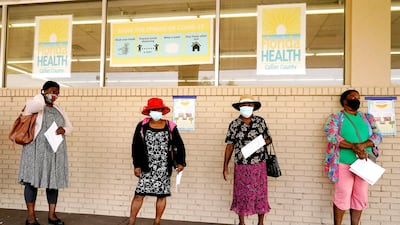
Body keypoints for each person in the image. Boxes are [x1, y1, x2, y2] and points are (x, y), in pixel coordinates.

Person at [18, 81, 73, 225]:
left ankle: (52, 215)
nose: (55, 95)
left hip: (55, 150)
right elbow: (33, 105)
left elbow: (70, 127)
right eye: (52, 91)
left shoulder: (59, 109)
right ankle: (31, 217)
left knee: (53, 183)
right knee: (31, 182)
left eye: (57, 92)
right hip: (35, 149)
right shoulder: (35, 105)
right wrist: (41, 96)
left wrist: (64, 130)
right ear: (44, 91)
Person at [324, 89, 382, 225]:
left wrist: (363, 145)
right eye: (352, 97)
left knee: (360, 196)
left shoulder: (368, 118)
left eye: (358, 97)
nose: (356, 99)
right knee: (342, 194)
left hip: (364, 163)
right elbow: (332, 135)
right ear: (344, 101)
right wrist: (354, 146)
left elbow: (377, 135)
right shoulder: (336, 117)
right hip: (343, 162)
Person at [128, 97, 186, 225]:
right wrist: (136, 165)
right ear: (149, 111)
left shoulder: (170, 126)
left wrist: (180, 162)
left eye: (158, 109)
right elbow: (135, 146)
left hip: (164, 167)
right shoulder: (142, 126)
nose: (156, 112)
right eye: (153, 109)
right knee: (139, 194)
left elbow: (179, 145)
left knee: (162, 195)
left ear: (162, 111)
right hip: (146, 167)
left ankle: (157, 221)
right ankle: (131, 221)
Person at [223, 94, 272, 225]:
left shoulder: (260, 121)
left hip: (259, 165)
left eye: (249, 105)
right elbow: (229, 146)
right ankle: (242, 222)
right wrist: (225, 167)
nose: (246, 108)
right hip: (241, 165)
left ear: (254, 107)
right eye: (244, 105)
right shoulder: (234, 124)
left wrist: (256, 144)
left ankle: (260, 222)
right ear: (239, 107)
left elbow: (268, 139)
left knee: (260, 194)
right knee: (242, 194)